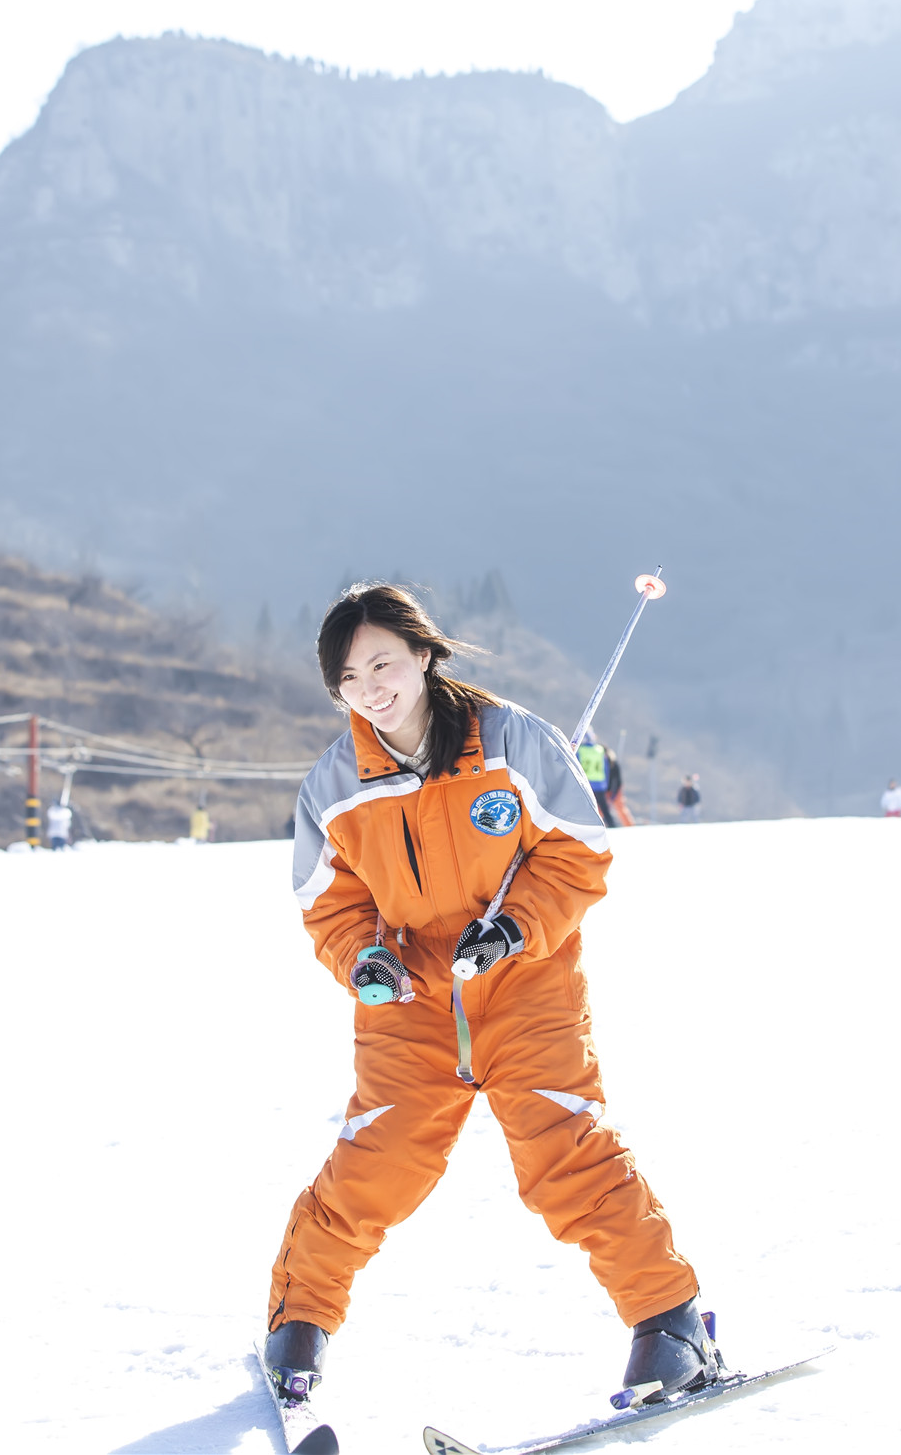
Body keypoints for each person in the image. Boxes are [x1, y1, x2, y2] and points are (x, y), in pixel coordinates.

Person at [265, 583, 710, 1409]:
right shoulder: (335, 787)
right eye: (351, 676)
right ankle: (299, 1320)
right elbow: (328, 903)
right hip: (409, 1003)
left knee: (565, 1154)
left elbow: (577, 853)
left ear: (425, 655)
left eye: (385, 663)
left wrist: (513, 929)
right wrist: (366, 959)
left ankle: (671, 1322)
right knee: (378, 1166)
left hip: (525, 981)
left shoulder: (509, 741)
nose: (372, 687)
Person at [574, 730, 617, 827]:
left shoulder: (580, 750)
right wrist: (606, 783)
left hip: (585, 784)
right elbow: (605, 768)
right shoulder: (600, 749)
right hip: (599, 783)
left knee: (584, 808)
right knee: (604, 808)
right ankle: (612, 825)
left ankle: (582, 826)